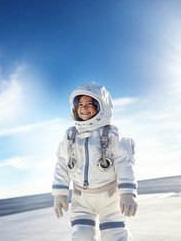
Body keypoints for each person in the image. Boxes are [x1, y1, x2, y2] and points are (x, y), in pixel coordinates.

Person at [52, 82, 138, 241]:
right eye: (80, 104)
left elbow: (124, 163)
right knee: (82, 236)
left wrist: (127, 192)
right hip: (81, 198)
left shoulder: (111, 134)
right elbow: (62, 165)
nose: (84, 108)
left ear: (101, 107)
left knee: (115, 235)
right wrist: (59, 194)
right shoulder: (71, 136)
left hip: (110, 198)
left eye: (90, 103)